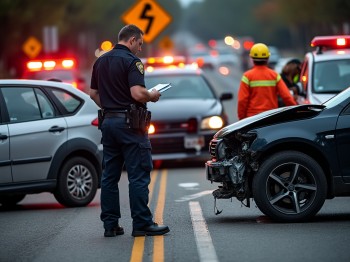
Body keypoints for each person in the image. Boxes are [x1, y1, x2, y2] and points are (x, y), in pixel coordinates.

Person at [90, 24, 170, 237]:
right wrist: (151, 95)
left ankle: (110, 225)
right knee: (138, 175)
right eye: (140, 44)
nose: (141, 49)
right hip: (130, 125)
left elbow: (93, 94)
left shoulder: (100, 61)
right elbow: (137, 93)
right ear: (132, 40)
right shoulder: (132, 62)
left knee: (109, 176)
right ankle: (142, 224)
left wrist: (110, 108)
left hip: (108, 124)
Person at [237, 43, 298, 120]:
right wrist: (296, 111)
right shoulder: (274, 75)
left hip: (252, 119)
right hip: (271, 117)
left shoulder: (247, 76)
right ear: (268, 58)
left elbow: (242, 100)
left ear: (252, 58)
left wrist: (241, 118)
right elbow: (286, 97)